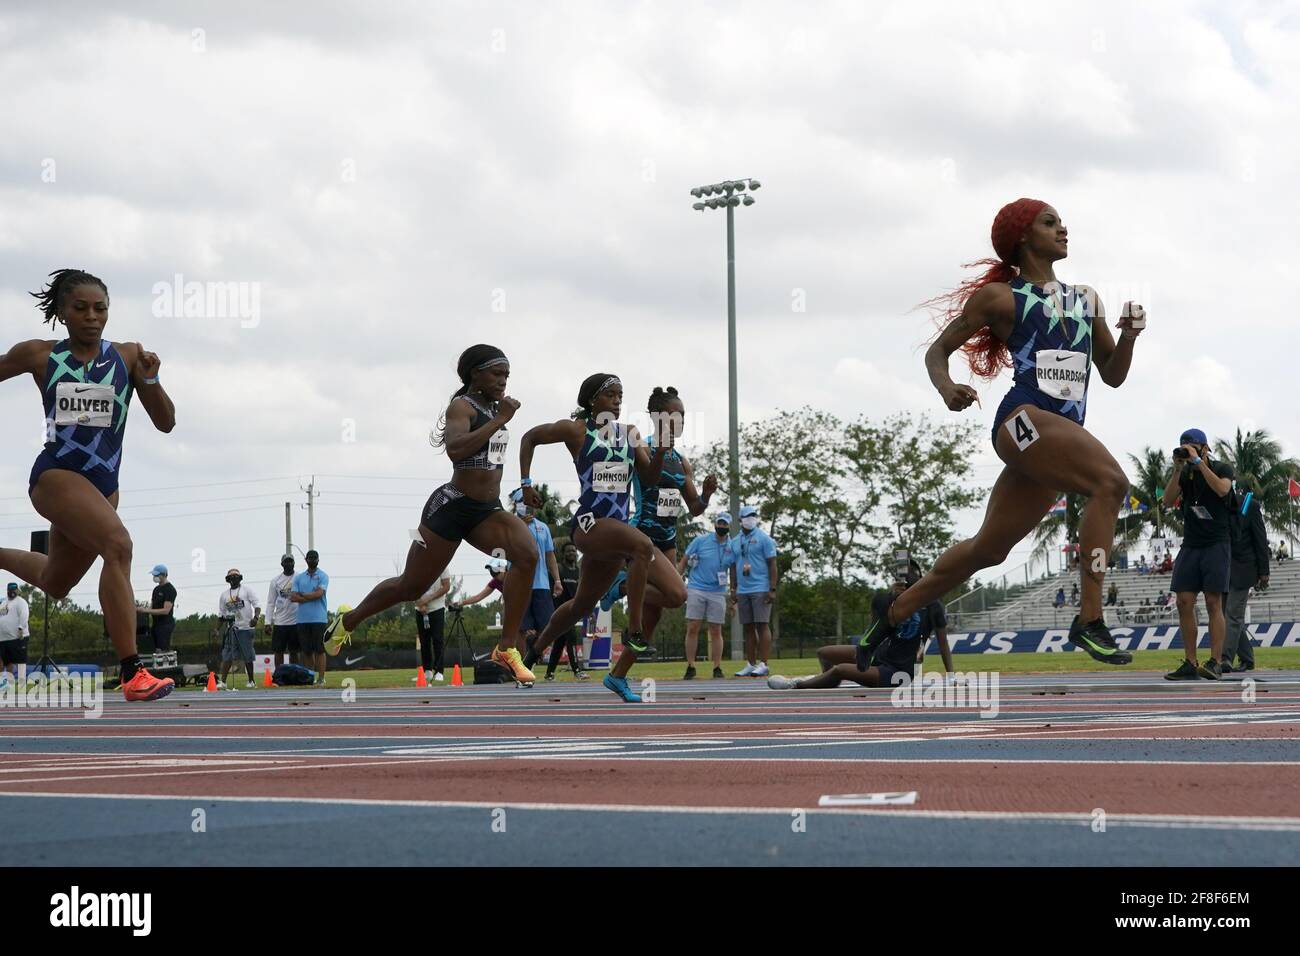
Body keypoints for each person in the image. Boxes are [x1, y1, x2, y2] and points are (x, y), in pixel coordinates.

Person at [874, 200, 1142, 666]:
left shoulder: (1087, 299)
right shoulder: (1001, 298)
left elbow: (1113, 375)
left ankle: (897, 611)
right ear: (1022, 236)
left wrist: (1131, 337)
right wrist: (947, 388)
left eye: (1061, 222)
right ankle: (1090, 618)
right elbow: (937, 351)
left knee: (990, 549)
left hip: (1058, 432)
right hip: (1021, 420)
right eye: (1050, 222)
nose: (1063, 228)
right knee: (1111, 484)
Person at [0, 269, 177, 700]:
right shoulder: (39, 355)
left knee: (57, 582)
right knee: (118, 546)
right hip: (56, 477)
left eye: (100, 309)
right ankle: (133, 671)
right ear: (62, 312)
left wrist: (150, 381)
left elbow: (166, 422)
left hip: (103, 486)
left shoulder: (128, 356)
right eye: (80, 308)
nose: (92, 317)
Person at [325, 345, 539, 685]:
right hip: (451, 507)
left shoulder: (496, 408)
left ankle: (506, 647)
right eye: (497, 374)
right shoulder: (462, 406)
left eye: (507, 375)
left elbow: (491, 459)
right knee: (411, 587)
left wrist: (524, 485)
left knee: (528, 555)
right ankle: (348, 620)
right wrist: (499, 420)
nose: (504, 381)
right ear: (475, 374)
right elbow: (456, 450)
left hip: (487, 510)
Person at [518, 373, 684, 702]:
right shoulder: (576, 430)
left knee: (668, 594)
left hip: (617, 531)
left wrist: (662, 451)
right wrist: (526, 482)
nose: (618, 401)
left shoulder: (630, 434)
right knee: (641, 545)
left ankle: (532, 655)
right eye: (611, 395)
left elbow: (649, 478)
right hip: (590, 524)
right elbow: (529, 438)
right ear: (592, 399)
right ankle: (636, 630)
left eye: (621, 395)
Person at [625, 386, 717, 651]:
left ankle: (625, 665)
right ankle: (622, 587)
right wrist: (661, 451)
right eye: (674, 416)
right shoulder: (643, 447)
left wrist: (707, 494)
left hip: (668, 539)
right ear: (658, 418)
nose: (681, 422)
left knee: (655, 612)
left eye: (684, 417)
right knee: (676, 596)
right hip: (644, 535)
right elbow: (648, 478)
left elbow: (695, 508)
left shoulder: (682, 461)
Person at [768, 563, 953, 689]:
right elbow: (873, 631)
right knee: (824, 653)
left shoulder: (932, 605)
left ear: (921, 576)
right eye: (902, 575)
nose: (906, 578)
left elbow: (943, 643)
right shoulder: (890, 601)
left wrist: (951, 676)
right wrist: (891, 599)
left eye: (911, 573)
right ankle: (827, 681)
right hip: (876, 655)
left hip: (897, 671)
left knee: (841, 669)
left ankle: (796, 685)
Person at [1162, 429, 1235, 680]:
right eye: (1184, 446)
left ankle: (1215, 661)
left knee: (1213, 601)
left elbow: (1223, 490)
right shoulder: (1184, 475)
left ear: (1205, 448)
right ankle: (1190, 663)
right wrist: (1178, 468)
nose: (1187, 449)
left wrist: (1199, 464)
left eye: (1192, 446)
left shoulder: (1222, 467)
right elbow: (1167, 500)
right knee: (1183, 601)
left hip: (1216, 542)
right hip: (1191, 544)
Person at [678, 513, 737, 679]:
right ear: (715, 524)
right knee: (693, 627)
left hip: (718, 591)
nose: (722, 526)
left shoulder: (732, 546)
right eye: (720, 523)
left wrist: (734, 594)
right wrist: (677, 581)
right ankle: (690, 666)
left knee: (716, 630)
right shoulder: (700, 541)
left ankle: (717, 667)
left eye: (725, 524)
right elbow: (684, 560)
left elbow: (733, 570)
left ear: (729, 526)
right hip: (696, 587)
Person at [507, 488, 563, 660]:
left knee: (546, 628)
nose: (526, 506)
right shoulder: (510, 526)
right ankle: (520, 668)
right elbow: (505, 549)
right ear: (516, 505)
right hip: (520, 585)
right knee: (520, 629)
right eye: (522, 503)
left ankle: (530, 660)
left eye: (529, 502)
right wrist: (521, 526)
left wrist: (557, 580)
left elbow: (549, 555)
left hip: (541, 585)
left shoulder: (543, 527)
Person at [1222, 483, 1270, 673]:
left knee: (1232, 615)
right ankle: (1247, 659)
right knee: (1231, 617)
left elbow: (1260, 539)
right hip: (1222, 570)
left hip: (1243, 570)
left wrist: (1264, 572)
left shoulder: (1250, 504)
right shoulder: (1215, 507)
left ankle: (1225, 658)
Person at [730, 505, 778, 677]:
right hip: (743, 589)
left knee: (762, 625)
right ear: (740, 520)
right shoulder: (735, 541)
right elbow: (733, 566)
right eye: (747, 516)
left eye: (753, 516)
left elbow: (772, 564)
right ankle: (750, 664)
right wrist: (733, 588)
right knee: (748, 628)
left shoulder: (764, 538)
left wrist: (772, 588)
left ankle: (764, 664)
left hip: (761, 588)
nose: (751, 519)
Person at [544, 541, 588, 681]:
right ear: (563, 554)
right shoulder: (558, 569)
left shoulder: (578, 571)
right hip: (560, 611)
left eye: (574, 551)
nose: (572, 553)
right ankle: (577, 670)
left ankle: (549, 673)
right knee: (571, 638)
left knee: (560, 642)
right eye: (569, 551)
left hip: (573, 612)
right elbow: (551, 592)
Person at [216, 568, 261, 689]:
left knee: (247, 655)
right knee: (227, 655)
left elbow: (257, 605)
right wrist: (217, 629)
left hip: (246, 628)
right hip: (231, 628)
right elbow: (221, 615)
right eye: (231, 577)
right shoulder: (224, 595)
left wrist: (256, 618)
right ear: (228, 579)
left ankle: (251, 681)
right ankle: (223, 682)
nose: (233, 578)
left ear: (240, 578)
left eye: (236, 576)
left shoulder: (247, 590)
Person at [291, 549, 330, 685]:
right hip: (302, 620)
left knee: (319, 650)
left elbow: (319, 594)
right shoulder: (299, 578)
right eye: (310, 558)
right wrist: (310, 595)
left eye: (314, 558)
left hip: (318, 619)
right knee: (306, 651)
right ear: (306, 560)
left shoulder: (323, 576)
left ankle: (321, 678)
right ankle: (309, 678)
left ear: (318, 560)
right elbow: (293, 597)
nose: (312, 560)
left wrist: (303, 595)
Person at [414, 570, 453, 682]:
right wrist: (419, 603)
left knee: (437, 640)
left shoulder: (442, 565)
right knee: (424, 641)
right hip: (420, 609)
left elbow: (446, 586)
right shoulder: (417, 564)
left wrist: (428, 599)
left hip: (437, 608)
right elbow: (412, 587)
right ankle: (427, 671)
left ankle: (439, 671)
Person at [265, 554, 299, 668]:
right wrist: (267, 622)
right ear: (282, 564)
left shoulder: (299, 578)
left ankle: (295, 674)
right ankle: (279, 675)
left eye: (291, 561)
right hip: (280, 622)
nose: (288, 564)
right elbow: (271, 602)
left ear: (294, 563)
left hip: (295, 622)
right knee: (278, 651)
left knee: (294, 651)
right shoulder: (275, 581)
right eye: (286, 562)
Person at [142, 564, 177, 652]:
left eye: (157, 575)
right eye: (154, 575)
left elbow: (166, 611)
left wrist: (148, 610)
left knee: (163, 649)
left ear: (164, 575)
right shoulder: (156, 590)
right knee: (154, 648)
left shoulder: (170, 589)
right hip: (155, 624)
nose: (155, 577)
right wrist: (143, 610)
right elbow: (152, 606)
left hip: (165, 624)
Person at [0, 582, 30, 679]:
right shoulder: (4, 602)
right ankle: (4, 683)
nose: (12, 592)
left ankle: (21, 681)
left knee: (20, 660)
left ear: (17, 590)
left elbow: (24, 615)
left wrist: (21, 627)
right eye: (11, 590)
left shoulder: (21, 602)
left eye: (14, 590)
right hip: (4, 638)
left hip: (18, 636)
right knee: (6, 661)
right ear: (8, 591)